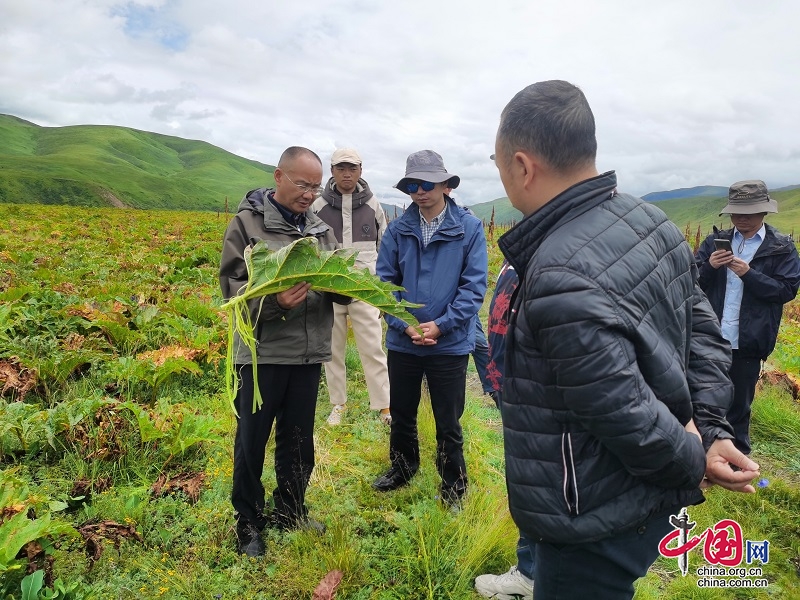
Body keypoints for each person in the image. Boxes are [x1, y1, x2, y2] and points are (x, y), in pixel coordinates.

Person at [492, 80, 760, 599]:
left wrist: (694, 455)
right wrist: (709, 428)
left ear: (523, 166)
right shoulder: (650, 220)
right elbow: (702, 333)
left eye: (498, 162)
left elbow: (622, 410)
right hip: (638, 494)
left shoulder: (558, 270)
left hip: (591, 509)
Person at [219, 146, 349, 557]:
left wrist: (341, 286)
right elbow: (231, 289)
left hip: (308, 355)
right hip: (262, 355)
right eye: (301, 184)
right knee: (251, 441)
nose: (309, 194)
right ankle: (249, 522)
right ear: (278, 177)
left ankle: (291, 509)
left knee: (298, 441)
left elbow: (340, 284)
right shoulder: (247, 225)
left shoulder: (320, 230)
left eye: (315, 186)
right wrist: (277, 303)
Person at [372, 150, 488, 508]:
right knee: (402, 411)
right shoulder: (397, 229)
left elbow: (473, 288)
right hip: (404, 341)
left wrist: (441, 325)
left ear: (445, 185)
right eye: (412, 185)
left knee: (448, 419)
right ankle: (403, 468)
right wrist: (404, 323)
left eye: (426, 184)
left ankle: (453, 483)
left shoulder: (469, 229)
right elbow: (384, 284)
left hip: (448, 344)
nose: (419, 192)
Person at [695, 181, 800, 454]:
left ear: (764, 212)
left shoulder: (781, 248)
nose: (743, 218)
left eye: (750, 212)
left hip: (749, 340)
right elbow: (691, 282)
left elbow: (786, 290)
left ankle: (737, 458)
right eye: (737, 212)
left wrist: (748, 274)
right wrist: (709, 267)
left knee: (740, 405)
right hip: (711, 336)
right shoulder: (714, 243)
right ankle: (703, 454)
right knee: (704, 398)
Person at [311, 148, 392, 427]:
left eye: (352, 168)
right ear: (331, 171)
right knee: (332, 352)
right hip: (329, 291)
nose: (347, 174)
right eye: (341, 168)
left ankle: (383, 407)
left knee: (373, 348)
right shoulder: (318, 206)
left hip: (363, 290)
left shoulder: (373, 205)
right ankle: (338, 404)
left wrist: (381, 291)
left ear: (361, 170)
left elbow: (386, 248)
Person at [473, 260, 534, 600]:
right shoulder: (516, 261)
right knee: (527, 480)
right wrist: (495, 383)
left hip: (540, 394)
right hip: (511, 389)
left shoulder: (562, 255)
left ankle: (535, 576)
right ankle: (532, 570)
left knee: (542, 482)